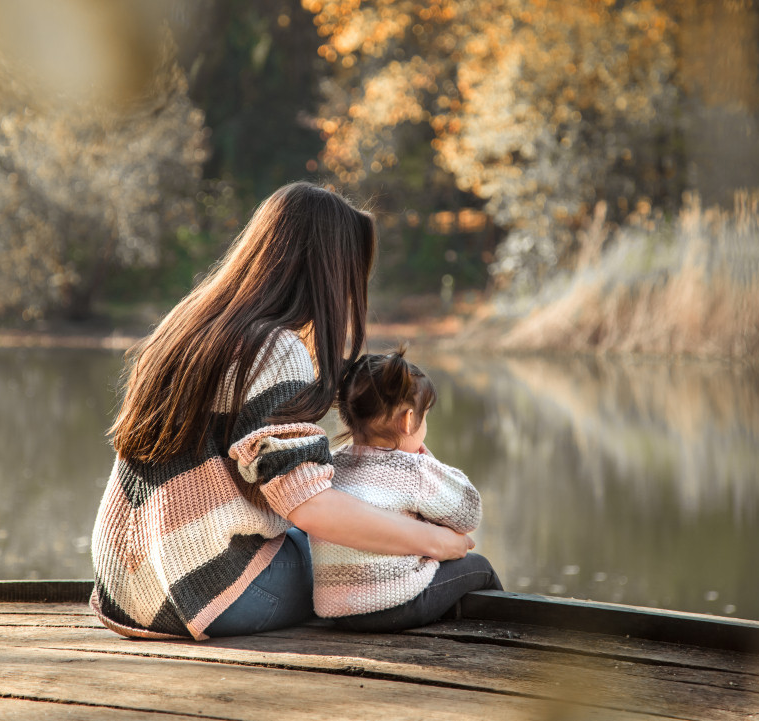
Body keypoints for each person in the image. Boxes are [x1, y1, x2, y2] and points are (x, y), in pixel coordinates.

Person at [89, 182, 474, 640]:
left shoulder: (187, 327)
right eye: (351, 276)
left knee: (346, 539)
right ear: (327, 273)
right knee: (361, 564)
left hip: (125, 589)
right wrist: (437, 542)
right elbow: (310, 509)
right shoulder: (273, 349)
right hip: (209, 593)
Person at [311, 347, 502, 632]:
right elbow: (469, 513)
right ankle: (502, 640)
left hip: (336, 610)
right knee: (481, 568)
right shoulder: (414, 470)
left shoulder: (332, 465)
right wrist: (425, 459)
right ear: (409, 420)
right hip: (396, 604)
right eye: (424, 418)